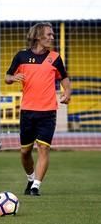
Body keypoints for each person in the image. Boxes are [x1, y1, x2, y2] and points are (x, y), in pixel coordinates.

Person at [5, 22, 71, 196]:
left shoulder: (55, 57)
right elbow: (7, 77)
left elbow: (64, 79)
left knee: (43, 148)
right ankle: (30, 178)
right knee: (25, 151)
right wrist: (13, 77)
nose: (52, 37)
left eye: (52, 34)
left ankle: (36, 186)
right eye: (48, 34)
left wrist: (68, 93)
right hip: (27, 112)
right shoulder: (21, 56)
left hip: (48, 111)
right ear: (37, 36)